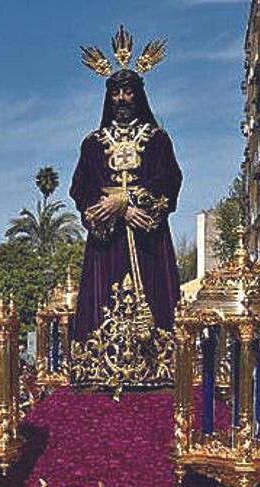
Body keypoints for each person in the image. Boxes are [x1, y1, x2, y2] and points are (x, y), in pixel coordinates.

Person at [71, 29, 182, 338]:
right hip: (107, 237)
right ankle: (101, 358)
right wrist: (114, 209)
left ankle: (155, 359)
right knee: (106, 294)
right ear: (109, 97)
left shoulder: (158, 139)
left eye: (128, 92)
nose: (122, 99)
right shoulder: (93, 144)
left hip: (148, 235)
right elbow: (81, 186)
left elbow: (170, 178)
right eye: (116, 93)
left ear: (138, 95)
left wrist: (131, 202)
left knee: (152, 291)